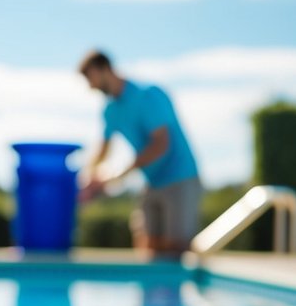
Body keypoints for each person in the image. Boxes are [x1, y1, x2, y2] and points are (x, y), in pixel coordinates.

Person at [77, 50, 204, 255]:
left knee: (177, 249)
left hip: (181, 178)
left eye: (90, 78)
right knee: (146, 246)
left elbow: (161, 145)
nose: (90, 86)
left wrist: (119, 174)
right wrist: (88, 178)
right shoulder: (110, 110)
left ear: (105, 69)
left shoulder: (149, 95)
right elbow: (104, 150)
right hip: (152, 182)